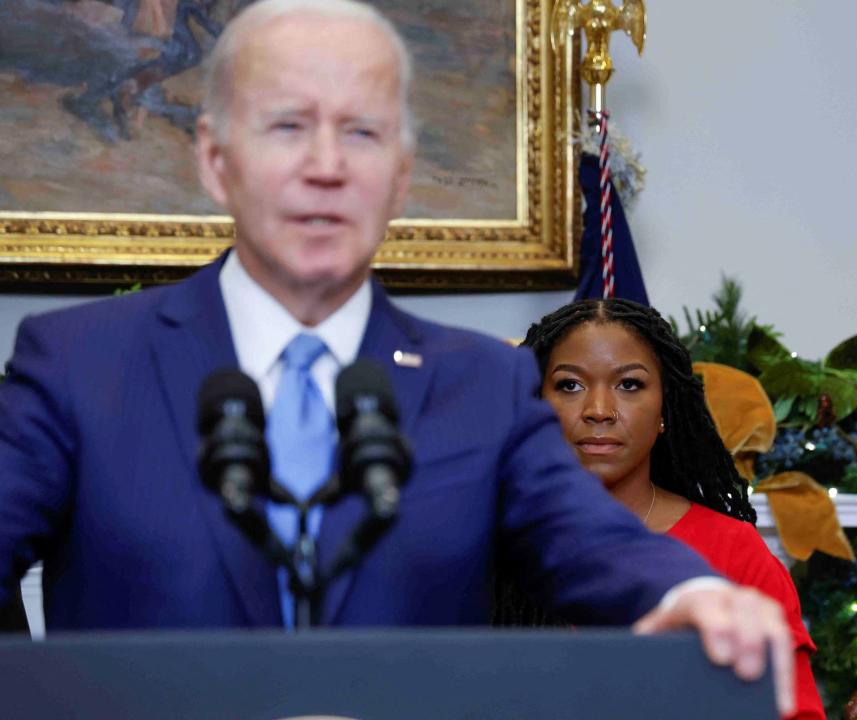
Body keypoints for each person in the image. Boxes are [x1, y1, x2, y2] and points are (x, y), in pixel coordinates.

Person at [0, 1, 793, 714]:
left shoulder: (480, 385)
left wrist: (693, 590)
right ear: (215, 160)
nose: (326, 164)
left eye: (362, 132)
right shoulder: (79, 364)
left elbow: (589, 539)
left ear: (401, 173)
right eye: (285, 125)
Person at [504, 297, 823, 720]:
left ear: (664, 410)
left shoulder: (734, 551)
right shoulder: (489, 541)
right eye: (570, 385)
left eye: (629, 385)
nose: (598, 410)